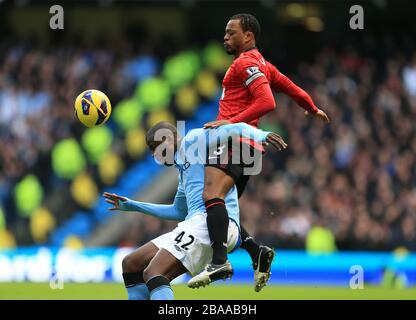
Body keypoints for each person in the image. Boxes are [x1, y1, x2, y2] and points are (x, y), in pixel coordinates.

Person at [189, 13, 330, 289]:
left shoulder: (246, 62)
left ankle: (219, 262)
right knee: (220, 210)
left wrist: (231, 121)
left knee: (209, 195)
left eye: (231, 33)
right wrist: (311, 107)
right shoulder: (264, 64)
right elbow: (291, 88)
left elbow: (267, 102)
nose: (225, 37)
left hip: (235, 141)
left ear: (248, 36)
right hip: (249, 146)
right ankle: (258, 253)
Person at [103, 121, 287, 300]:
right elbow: (178, 211)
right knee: (131, 263)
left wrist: (263, 135)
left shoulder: (193, 140)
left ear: (172, 138)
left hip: (211, 225)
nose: (154, 155)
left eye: (155, 147)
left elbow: (235, 129)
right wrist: (133, 205)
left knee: (154, 272)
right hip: (195, 224)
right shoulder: (183, 170)